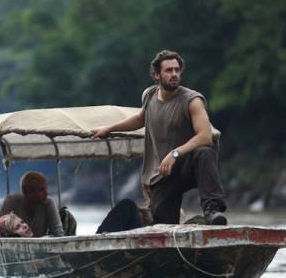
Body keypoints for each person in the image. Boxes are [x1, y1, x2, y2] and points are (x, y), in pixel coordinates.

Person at [91, 50, 228, 225]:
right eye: (169, 70)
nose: (174, 75)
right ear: (157, 74)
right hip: (163, 173)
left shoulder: (192, 100)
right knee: (163, 223)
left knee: (204, 151)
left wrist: (174, 154)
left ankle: (212, 210)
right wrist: (108, 128)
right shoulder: (149, 96)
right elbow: (141, 119)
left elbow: (205, 136)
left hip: (188, 165)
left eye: (177, 70)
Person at [0, 171, 64, 237]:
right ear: (27, 192)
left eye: (45, 189)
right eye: (41, 190)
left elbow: (58, 233)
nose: (46, 193)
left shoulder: (48, 203)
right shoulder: (11, 202)